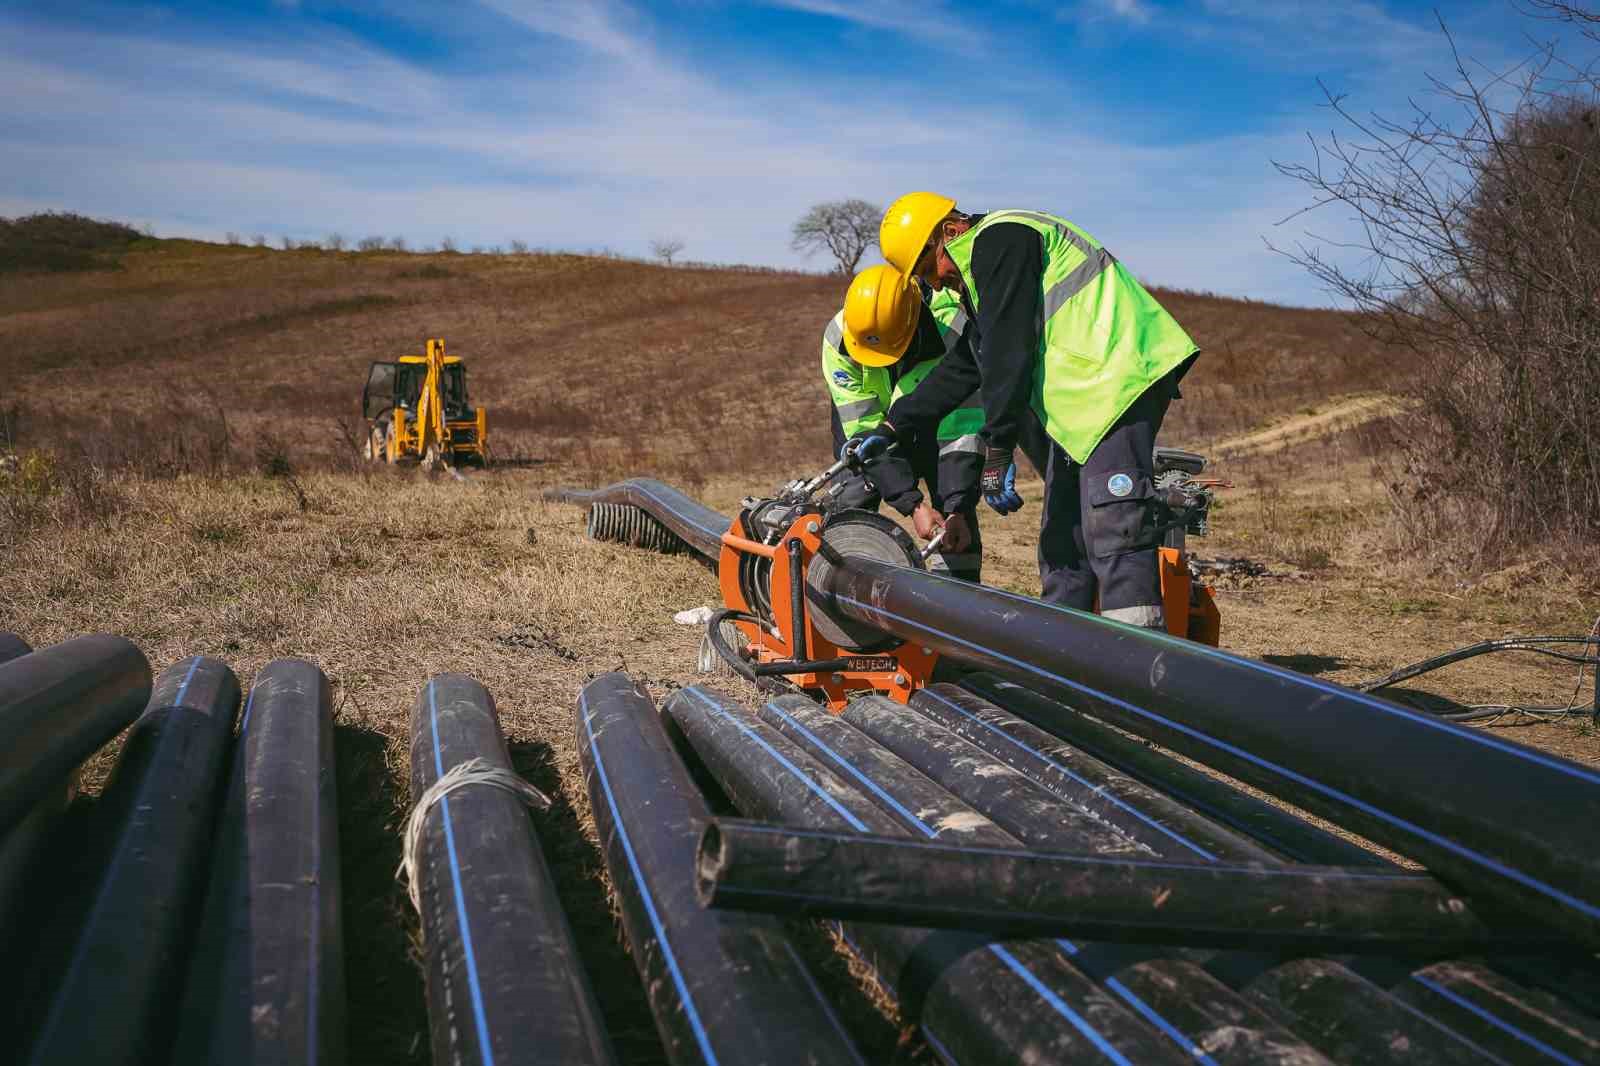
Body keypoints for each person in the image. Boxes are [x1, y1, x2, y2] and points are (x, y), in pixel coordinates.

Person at [860, 193, 1199, 628]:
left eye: (930, 269)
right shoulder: (985, 274)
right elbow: (970, 362)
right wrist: (894, 425)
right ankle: (1063, 664)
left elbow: (1007, 349)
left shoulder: (1001, 239)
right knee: (1062, 541)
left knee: (1116, 528)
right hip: (1079, 403)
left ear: (949, 232)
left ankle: (1135, 674)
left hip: (1116, 379)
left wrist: (999, 446)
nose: (938, 284)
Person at [822, 264, 986, 581]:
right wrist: (913, 505)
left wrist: (957, 507)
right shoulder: (838, 338)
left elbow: (962, 431)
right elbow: (863, 431)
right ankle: (837, 589)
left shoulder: (952, 329)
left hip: (938, 430)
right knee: (849, 504)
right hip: (873, 434)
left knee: (955, 523)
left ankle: (959, 604)